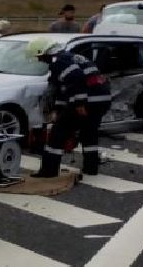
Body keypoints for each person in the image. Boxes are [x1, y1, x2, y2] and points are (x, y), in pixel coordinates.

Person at [25, 37, 112, 177]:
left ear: (45, 52)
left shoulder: (59, 61)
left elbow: (76, 78)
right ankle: (91, 168)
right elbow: (63, 89)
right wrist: (58, 109)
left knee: (57, 134)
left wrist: (79, 103)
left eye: (39, 57)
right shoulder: (72, 57)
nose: (40, 60)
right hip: (101, 99)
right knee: (89, 134)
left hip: (88, 100)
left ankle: (49, 171)